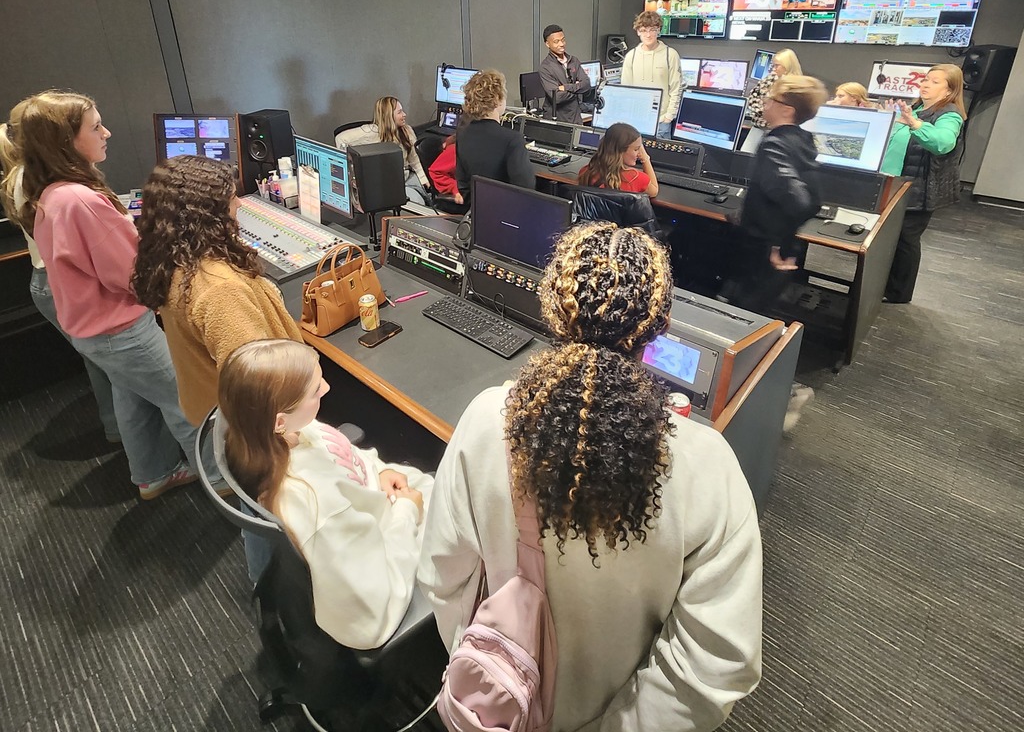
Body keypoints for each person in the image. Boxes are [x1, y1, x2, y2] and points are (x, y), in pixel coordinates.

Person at [418, 223, 762, 731]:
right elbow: (714, 665)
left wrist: (491, 673)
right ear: (658, 325)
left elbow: (441, 575)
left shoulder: (486, 418)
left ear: (551, 305)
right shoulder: (709, 466)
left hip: (495, 706)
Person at [15, 90, 198, 500]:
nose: (107, 132)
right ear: (65, 141)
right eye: (96, 126)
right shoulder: (81, 200)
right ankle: (225, 486)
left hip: (93, 333)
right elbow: (136, 278)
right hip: (122, 330)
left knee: (132, 397)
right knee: (188, 402)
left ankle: (154, 474)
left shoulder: (51, 194)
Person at [220, 339, 433, 651]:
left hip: (383, 502)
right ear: (279, 420)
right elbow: (371, 614)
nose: (327, 388)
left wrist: (379, 470)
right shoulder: (316, 505)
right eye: (314, 390)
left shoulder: (280, 436)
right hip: (393, 536)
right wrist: (407, 512)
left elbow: (346, 456)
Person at [131, 155, 304, 427]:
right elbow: (256, 388)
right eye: (233, 197)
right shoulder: (220, 290)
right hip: (254, 429)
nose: (240, 203)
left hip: (209, 408)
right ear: (208, 213)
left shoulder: (172, 259)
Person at [0, 108, 119, 444]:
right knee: (108, 363)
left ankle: (120, 431)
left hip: (47, 281)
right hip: (55, 283)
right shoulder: (48, 184)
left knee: (99, 361)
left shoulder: (26, 176)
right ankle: (124, 433)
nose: (104, 133)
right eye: (95, 127)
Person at [727, 74, 828, 316]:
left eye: (771, 99)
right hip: (778, 245)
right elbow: (814, 200)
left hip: (762, 250)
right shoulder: (802, 140)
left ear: (787, 109)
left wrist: (775, 244)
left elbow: (800, 200)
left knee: (743, 314)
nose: (765, 103)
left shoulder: (775, 145)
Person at [879, 64, 966, 304]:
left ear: (950, 91)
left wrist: (913, 124)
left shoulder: (950, 115)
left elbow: (942, 143)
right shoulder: (915, 109)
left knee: (906, 240)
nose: (926, 84)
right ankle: (882, 286)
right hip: (896, 184)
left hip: (919, 190)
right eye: (926, 79)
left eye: (935, 81)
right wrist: (891, 121)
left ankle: (899, 294)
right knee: (890, 240)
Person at [454, 69, 534, 205]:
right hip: (507, 217)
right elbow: (526, 190)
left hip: (478, 213)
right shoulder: (512, 140)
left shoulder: (462, 134)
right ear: (497, 100)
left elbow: (463, 186)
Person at [336, 96, 431, 205]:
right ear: (389, 116)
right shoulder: (370, 132)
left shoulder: (407, 131)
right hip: (388, 185)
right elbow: (340, 138)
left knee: (430, 197)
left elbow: (415, 160)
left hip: (406, 176)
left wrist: (425, 180)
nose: (404, 114)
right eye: (400, 112)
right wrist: (350, 170)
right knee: (418, 203)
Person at [620, 10, 684, 139]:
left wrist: (669, 116)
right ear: (638, 31)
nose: (648, 35)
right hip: (636, 121)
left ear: (658, 30)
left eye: (652, 29)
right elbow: (625, 90)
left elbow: (676, 88)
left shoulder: (670, 55)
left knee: (662, 158)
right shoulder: (631, 56)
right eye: (644, 30)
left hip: (661, 122)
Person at [742, 47, 802, 154]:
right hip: (759, 128)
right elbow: (752, 98)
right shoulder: (769, 79)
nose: (773, 69)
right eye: (773, 65)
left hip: (781, 132)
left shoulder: (797, 86)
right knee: (745, 157)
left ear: (787, 66)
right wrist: (766, 112)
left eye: (777, 65)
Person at [577, 121, 659, 198]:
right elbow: (654, 191)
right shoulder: (637, 178)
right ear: (621, 151)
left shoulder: (586, 172)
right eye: (636, 149)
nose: (639, 153)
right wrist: (645, 159)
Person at [537, 23, 591, 125]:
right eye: (556, 42)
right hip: (558, 120)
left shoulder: (574, 60)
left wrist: (566, 87)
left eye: (563, 40)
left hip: (575, 118)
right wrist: (578, 90)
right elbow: (556, 97)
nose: (561, 44)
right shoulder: (545, 67)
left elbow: (587, 84)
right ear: (547, 44)